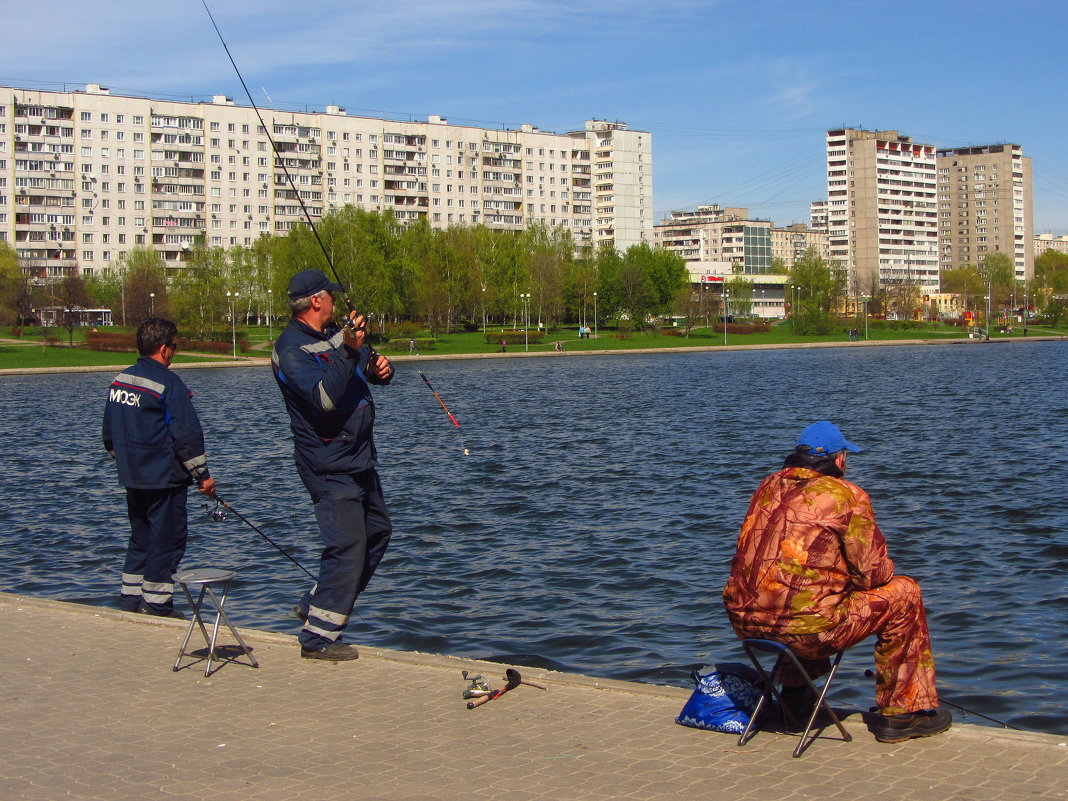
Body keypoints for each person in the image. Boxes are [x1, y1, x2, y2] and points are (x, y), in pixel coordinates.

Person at [722, 421, 951, 744]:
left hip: (746, 625)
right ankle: (902, 714)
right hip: (809, 632)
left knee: (798, 592)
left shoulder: (767, 486)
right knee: (905, 593)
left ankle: (795, 700)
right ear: (839, 459)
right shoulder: (847, 495)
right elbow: (873, 575)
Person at [272, 269, 395, 662]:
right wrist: (348, 350)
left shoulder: (333, 336)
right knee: (347, 547)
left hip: (358, 457)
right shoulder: (290, 350)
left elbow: (360, 370)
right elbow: (324, 398)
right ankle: (317, 639)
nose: (337, 303)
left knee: (377, 533)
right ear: (316, 301)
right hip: (327, 462)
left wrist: (378, 369)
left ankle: (317, 603)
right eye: (332, 296)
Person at [102, 318, 216, 618]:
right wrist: (203, 477)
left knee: (140, 540)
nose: (174, 352)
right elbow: (187, 436)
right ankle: (156, 606)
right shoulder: (169, 383)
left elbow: (109, 435)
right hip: (165, 479)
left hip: (132, 477)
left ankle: (130, 604)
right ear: (164, 349)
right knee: (167, 542)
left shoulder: (120, 381)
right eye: (175, 347)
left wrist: (129, 462)